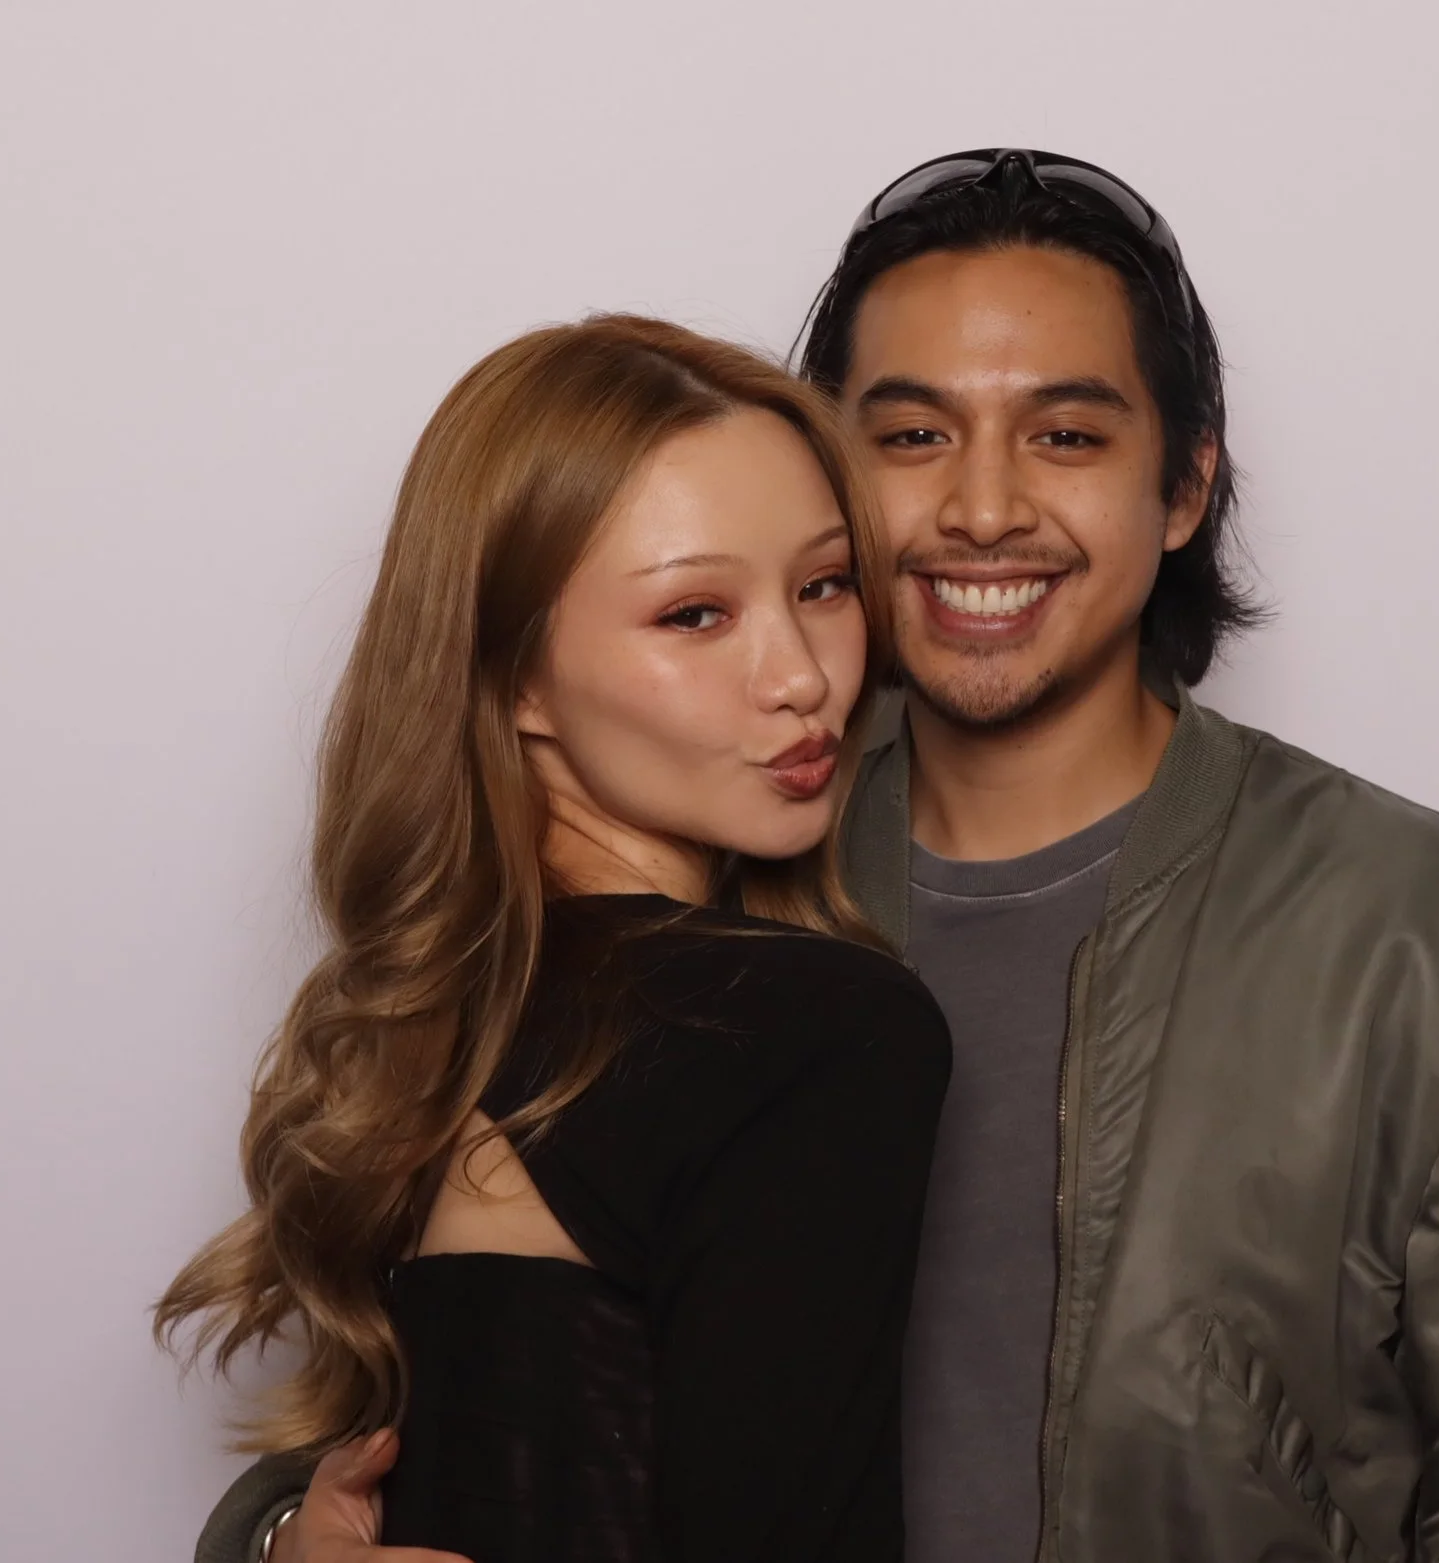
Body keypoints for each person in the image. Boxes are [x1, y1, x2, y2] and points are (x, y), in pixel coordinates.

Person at [205, 152, 1439, 1563]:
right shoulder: (697, 870)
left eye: (1066, 434)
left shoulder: (1413, 933)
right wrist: (282, 1541)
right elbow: (444, 1396)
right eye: (913, 434)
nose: (986, 505)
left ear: (1186, 484)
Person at [161, 316, 950, 1563]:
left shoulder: (444, 1033)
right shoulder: (809, 1026)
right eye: (695, 615)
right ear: (515, 678)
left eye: (823, 585)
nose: (800, 674)